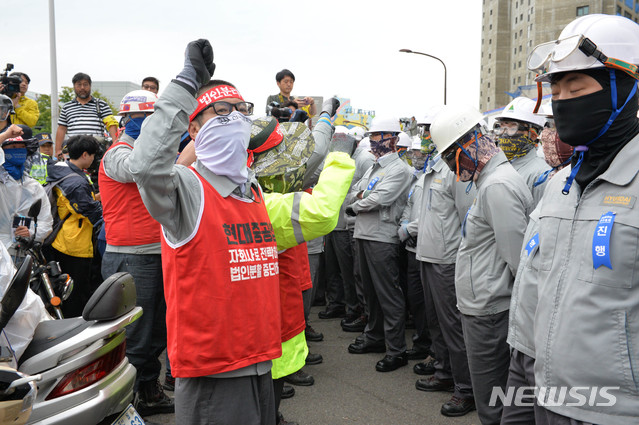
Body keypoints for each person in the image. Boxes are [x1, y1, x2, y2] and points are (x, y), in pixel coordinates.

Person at [526, 14, 639, 425]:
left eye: (576, 86)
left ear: (624, 89)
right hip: (545, 395)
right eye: (555, 88)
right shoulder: (560, 183)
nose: (562, 99)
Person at [430, 104, 532, 425]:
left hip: (490, 313)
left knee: (494, 407)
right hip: (483, 309)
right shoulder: (489, 182)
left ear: (471, 143)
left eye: (451, 156)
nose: (450, 167)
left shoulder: (497, 186)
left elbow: (520, 263)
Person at [98, 89, 174, 417]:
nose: (150, 126)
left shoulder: (148, 152)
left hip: (155, 252)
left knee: (158, 329)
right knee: (136, 336)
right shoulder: (117, 154)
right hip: (131, 255)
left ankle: (147, 390)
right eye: (144, 119)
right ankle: (123, 404)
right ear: (127, 120)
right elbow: (139, 169)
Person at [412, 111, 476, 417]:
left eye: (428, 131)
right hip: (426, 254)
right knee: (437, 322)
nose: (423, 135)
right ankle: (443, 370)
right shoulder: (431, 166)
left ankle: (465, 388)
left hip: (447, 259)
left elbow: (468, 219)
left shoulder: (454, 168)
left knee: (452, 326)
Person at [345, 117, 412, 373]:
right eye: (372, 136)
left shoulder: (399, 169)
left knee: (388, 294)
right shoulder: (375, 167)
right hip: (363, 234)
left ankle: (396, 350)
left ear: (393, 139)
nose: (374, 140)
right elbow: (357, 191)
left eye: (379, 136)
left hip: (382, 237)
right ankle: (374, 337)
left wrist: (357, 204)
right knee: (369, 292)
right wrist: (361, 198)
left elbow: (380, 199)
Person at [46, 135, 102, 318]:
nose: (94, 159)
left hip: (63, 239)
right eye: (93, 155)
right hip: (74, 245)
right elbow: (90, 212)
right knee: (76, 294)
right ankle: (74, 329)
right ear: (85, 154)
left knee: (66, 289)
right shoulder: (76, 182)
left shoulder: (62, 170)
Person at [340, 131, 375, 333]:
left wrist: (358, 197)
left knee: (362, 276)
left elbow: (369, 193)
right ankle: (362, 314)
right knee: (356, 274)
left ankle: (365, 316)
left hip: (362, 225)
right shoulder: (355, 158)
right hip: (353, 223)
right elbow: (355, 191)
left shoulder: (365, 159)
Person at [0, 126, 53, 253]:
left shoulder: (32, 186)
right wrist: (7, 134)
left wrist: (30, 232)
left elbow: (46, 221)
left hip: (24, 252)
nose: (18, 150)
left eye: (21, 147)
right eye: (12, 148)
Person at [493, 96, 549, 206]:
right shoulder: (499, 167)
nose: (504, 133)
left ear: (533, 135)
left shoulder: (541, 174)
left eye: (512, 127)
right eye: (501, 127)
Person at [55, 73, 118, 157]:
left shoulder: (101, 105)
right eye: (79, 85)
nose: (82, 88)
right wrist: (58, 150)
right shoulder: (67, 107)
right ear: (74, 86)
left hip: (96, 152)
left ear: (90, 86)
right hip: (73, 152)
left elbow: (111, 125)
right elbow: (61, 129)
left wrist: (115, 146)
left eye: (85, 84)